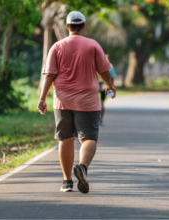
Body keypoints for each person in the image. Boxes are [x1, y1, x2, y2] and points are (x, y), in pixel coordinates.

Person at [38, 11, 116, 194]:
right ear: (83, 26)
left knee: (65, 139)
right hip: (87, 101)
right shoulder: (93, 45)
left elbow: (49, 75)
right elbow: (104, 70)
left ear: (67, 27)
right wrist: (109, 86)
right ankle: (82, 167)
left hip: (62, 101)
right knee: (88, 138)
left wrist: (42, 98)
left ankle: (66, 182)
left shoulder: (57, 47)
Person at [98, 55, 116, 126]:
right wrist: (111, 86)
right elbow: (112, 77)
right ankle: (101, 119)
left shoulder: (95, 64)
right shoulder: (110, 65)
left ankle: (96, 119)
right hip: (105, 86)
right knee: (102, 103)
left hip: (95, 85)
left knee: (96, 103)